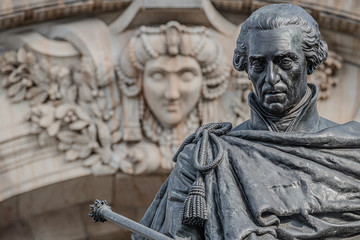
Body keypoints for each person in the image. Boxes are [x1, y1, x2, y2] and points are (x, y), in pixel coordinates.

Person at [133, 4, 360, 239]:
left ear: (309, 62)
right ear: (246, 67)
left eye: (285, 61)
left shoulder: (353, 151)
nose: (271, 78)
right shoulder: (203, 160)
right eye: (259, 64)